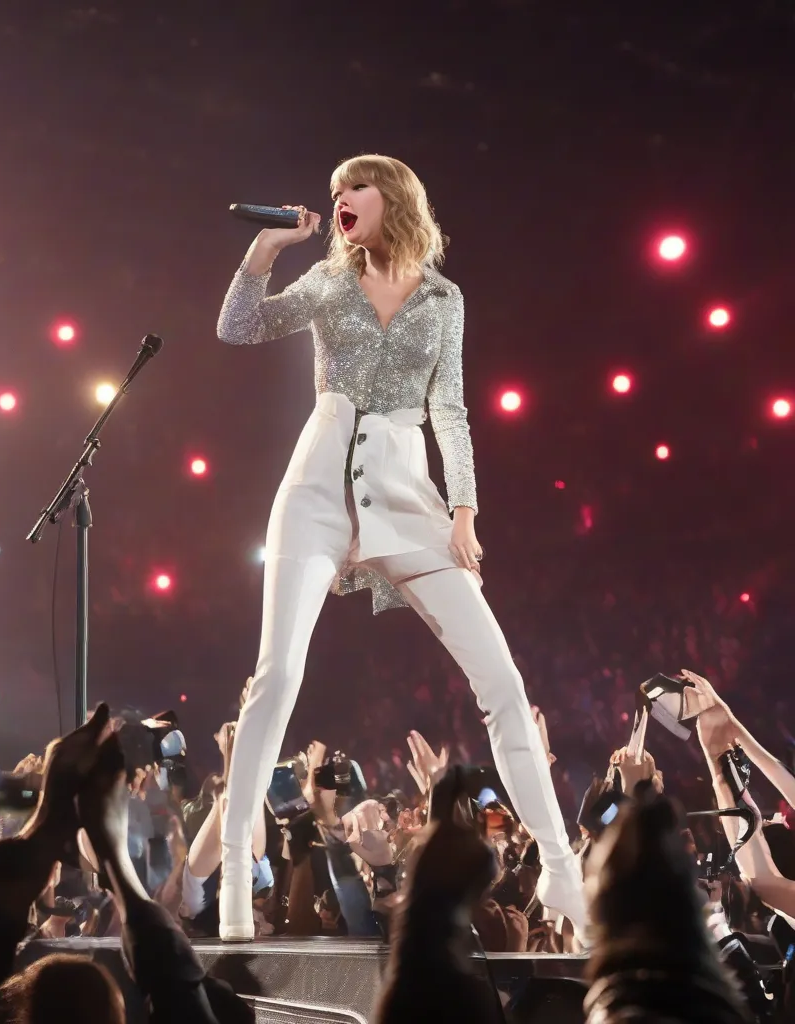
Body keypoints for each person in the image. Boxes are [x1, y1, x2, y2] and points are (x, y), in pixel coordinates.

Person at [214, 154, 587, 943]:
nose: (339, 200)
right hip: (316, 488)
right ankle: (237, 874)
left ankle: (559, 864)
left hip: (408, 495)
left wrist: (464, 511)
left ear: (393, 197)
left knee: (503, 681)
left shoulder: (445, 301)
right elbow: (238, 326)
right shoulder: (325, 280)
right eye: (334, 192)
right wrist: (269, 249)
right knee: (276, 673)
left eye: (354, 187)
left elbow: (450, 410)